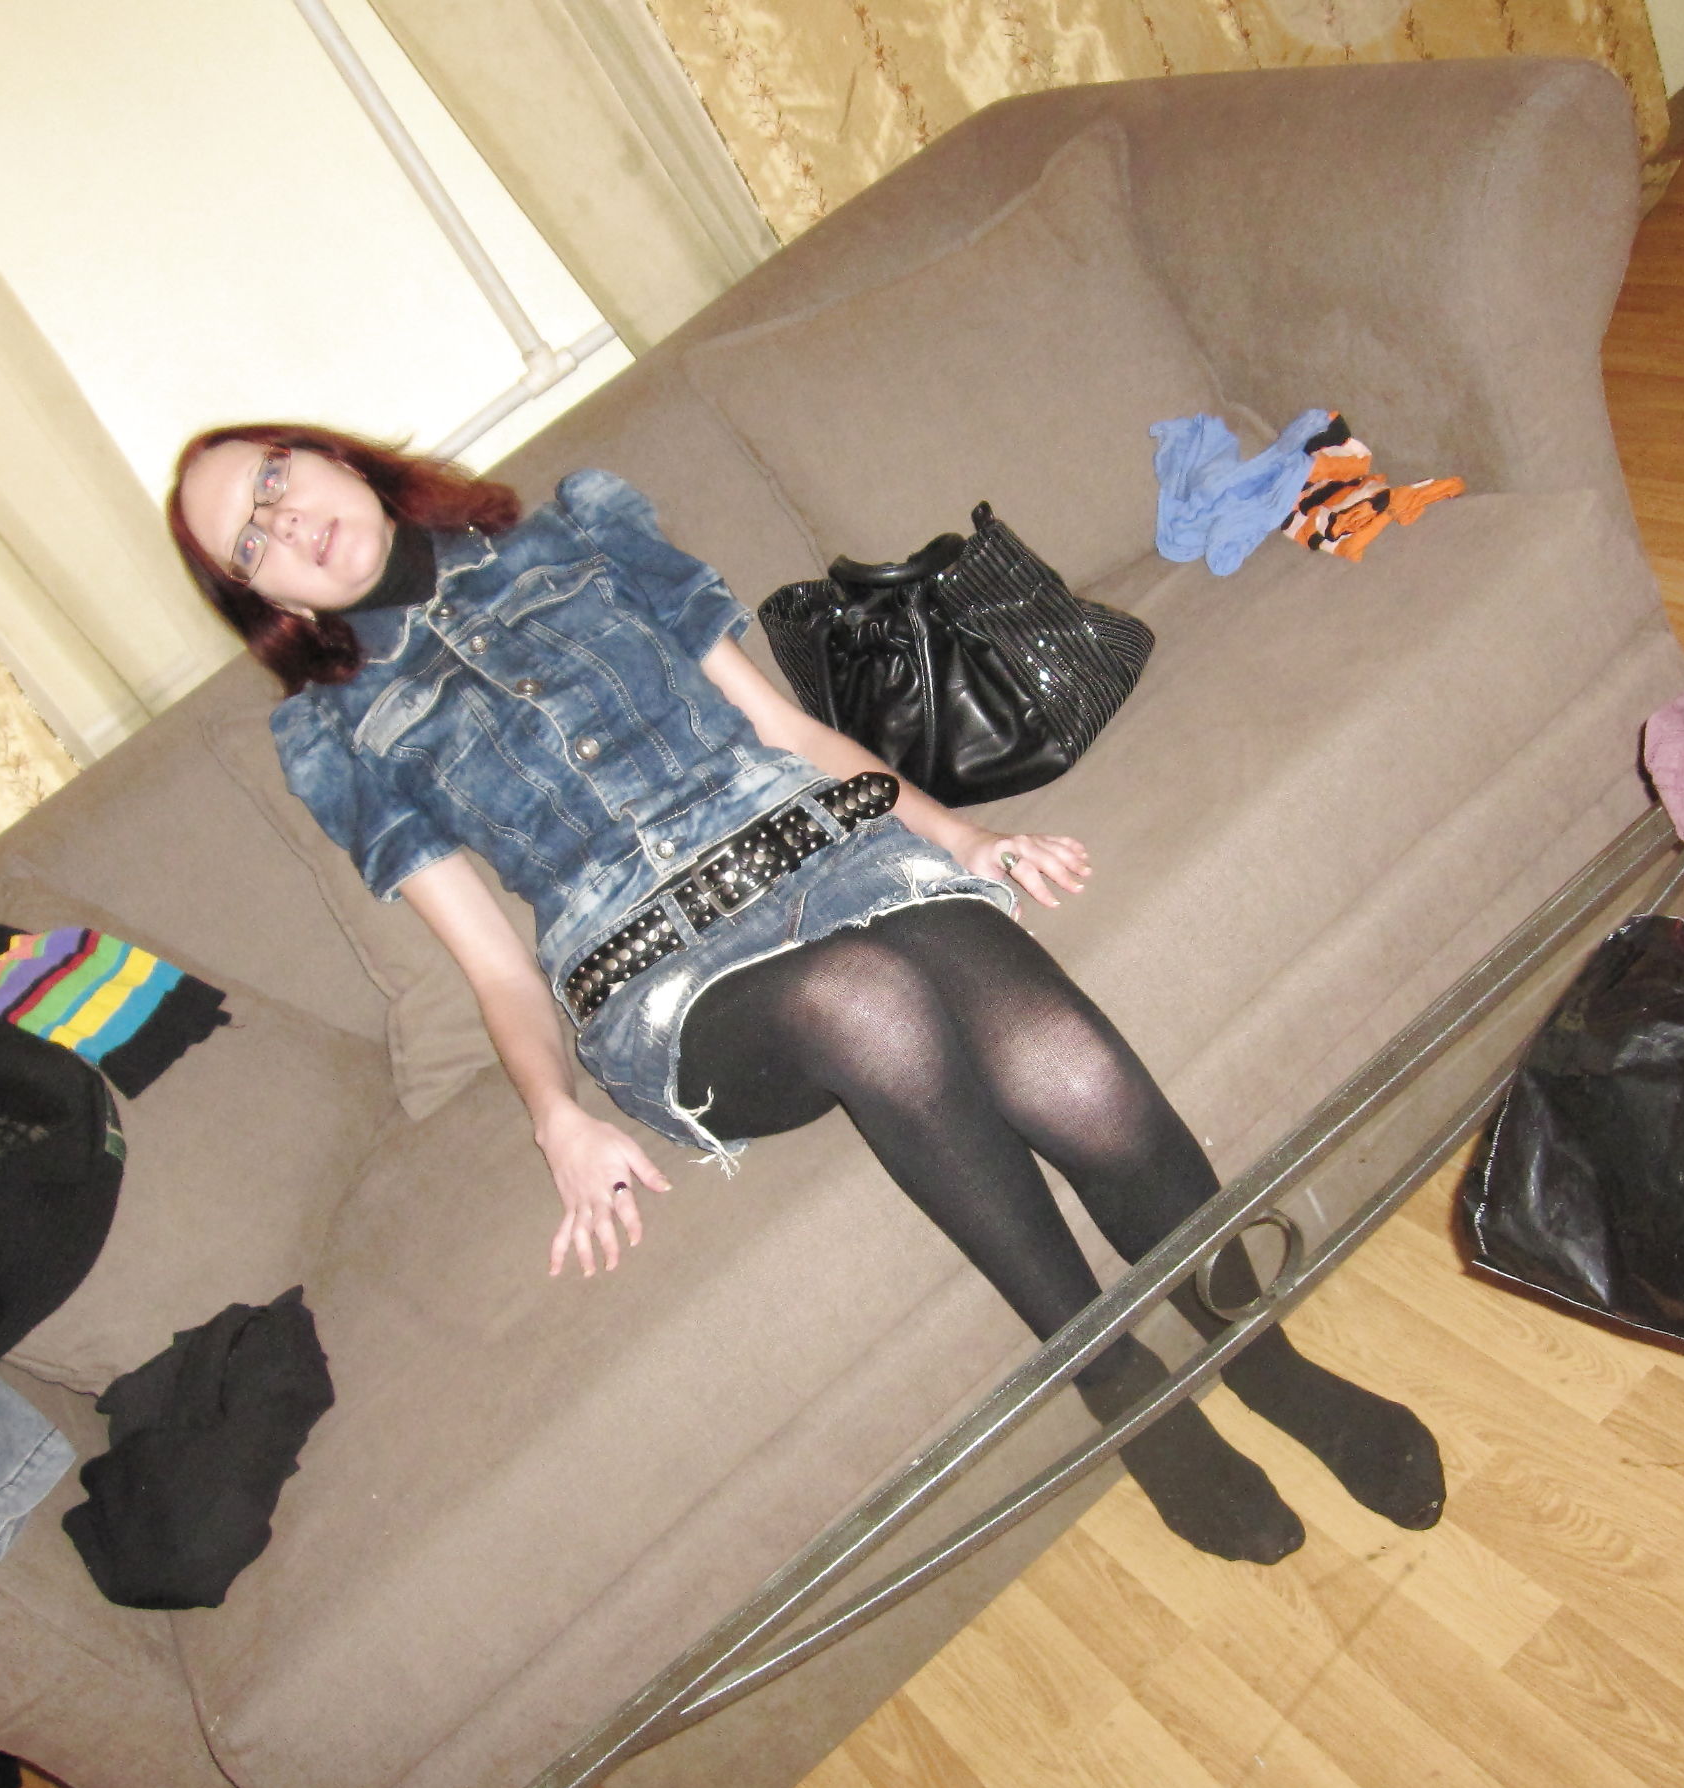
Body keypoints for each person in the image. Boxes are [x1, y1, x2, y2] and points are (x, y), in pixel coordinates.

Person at [168, 425, 1445, 1562]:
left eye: (275, 479)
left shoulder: (580, 534)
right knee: (864, 997)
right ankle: (1127, 1394)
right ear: (262, 597)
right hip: (654, 970)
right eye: (250, 541)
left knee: (1066, 1060)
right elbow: (496, 965)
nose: (287, 522)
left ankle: (1269, 1363)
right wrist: (556, 1116)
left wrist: (963, 838)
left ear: (329, 453)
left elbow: (785, 734)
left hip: (828, 850)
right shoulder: (335, 731)